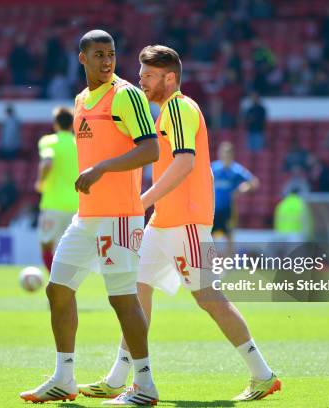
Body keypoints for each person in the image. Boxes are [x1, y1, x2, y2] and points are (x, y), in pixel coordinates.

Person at [78, 45, 280, 403]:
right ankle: (120, 377)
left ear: (170, 78)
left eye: (148, 75)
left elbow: (185, 163)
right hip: (165, 221)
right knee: (135, 291)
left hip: (186, 221)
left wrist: (142, 201)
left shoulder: (180, 108)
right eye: (140, 74)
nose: (141, 80)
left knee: (208, 297)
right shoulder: (165, 111)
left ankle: (262, 374)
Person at [19, 30, 160, 405]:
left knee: (122, 299)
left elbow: (151, 149)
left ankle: (144, 385)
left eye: (111, 54)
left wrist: (102, 168)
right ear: (82, 58)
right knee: (58, 288)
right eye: (98, 54)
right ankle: (64, 379)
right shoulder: (81, 99)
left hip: (119, 217)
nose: (107, 61)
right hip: (87, 216)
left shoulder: (127, 94)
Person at [35, 106, 79, 273]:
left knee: (46, 244)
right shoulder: (79, 144)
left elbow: (47, 162)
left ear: (56, 124)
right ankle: (66, 285)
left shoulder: (48, 141)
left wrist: (40, 181)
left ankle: (56, 284)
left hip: (53, 204)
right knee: (68, 249)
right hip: (77, 205)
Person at [211, 141, 259, 246]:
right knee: (210, 237)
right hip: (212, 210)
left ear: (232, 155)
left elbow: (254, 182)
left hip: (228, 209)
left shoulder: (237, 170)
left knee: (229, 236)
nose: (225, 155)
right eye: (223, 152)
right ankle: (209, 261)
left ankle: (229, 261)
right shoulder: (213, 168)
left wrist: (242, 189)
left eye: (227, 153)